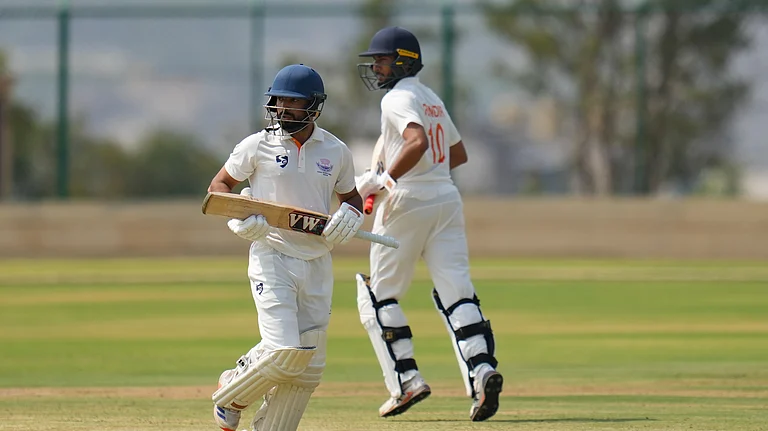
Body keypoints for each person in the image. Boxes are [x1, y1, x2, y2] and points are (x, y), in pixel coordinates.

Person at [354, 26, 503, 422]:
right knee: (457, 292)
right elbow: (457, 153)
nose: (377, 67)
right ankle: (482, 370)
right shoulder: (431, 98)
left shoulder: (397, 99)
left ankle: (407, 382)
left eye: (382, 60)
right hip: (446, 198)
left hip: (408, 201)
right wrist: (420, 175)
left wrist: (386, 180)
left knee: (379, 297)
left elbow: (416, 141)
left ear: (403, 60)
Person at [207, 64, 364, 431]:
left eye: (292, 102)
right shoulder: (256, 145)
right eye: (278, 101)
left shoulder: (336, 151)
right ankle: (232, 391)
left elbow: (352, 199)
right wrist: (240, 215)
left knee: (309, 368)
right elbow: (218, 188)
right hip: (271, 254)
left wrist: (351, 217)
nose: (282, 109)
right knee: (283, 353)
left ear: (313, 106)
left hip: (317, 259)